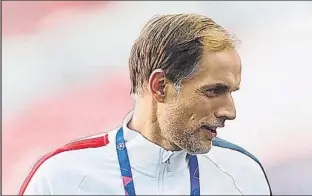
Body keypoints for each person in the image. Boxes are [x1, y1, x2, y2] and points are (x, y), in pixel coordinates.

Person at [19, 13, 272, 195]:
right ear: (160, 86)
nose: (230, 111)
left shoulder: (243, 174)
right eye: (214, 91)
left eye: (231, 92)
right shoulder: (60, 179)